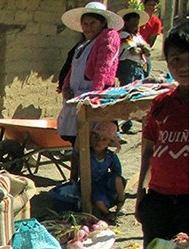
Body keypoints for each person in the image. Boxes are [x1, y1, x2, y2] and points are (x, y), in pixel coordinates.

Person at [135, 23, 189, 249]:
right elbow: (149, 150)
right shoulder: (160, 105)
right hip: (159, 202)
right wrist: (141, 192)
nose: (184, 66)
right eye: (177, 60)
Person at [56, 2, 123, 178]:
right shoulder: (82, 45)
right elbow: (72, 68)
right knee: (77, 145)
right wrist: (65, 87)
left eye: (92, 23)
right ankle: (75, 182)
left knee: (92, 145)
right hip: (77, 99)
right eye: (85, 24)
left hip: (93, 100)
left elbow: (103, 67)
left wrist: (94, 96)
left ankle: (89, 185)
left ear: (102, 23)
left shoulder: (108, 38)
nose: (87, 27)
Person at [115, 6, 152, 133]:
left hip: (138, 67)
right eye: (133, 21)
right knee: (128, 95)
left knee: (138, 95)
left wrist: (141, 48)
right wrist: (142, 48)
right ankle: (125, 125)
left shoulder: (137, 37)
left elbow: (148, 51)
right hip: (127, 67)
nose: (135, 23)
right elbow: (133, 50)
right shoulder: (123, 35)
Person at [86, 121, 126, 222]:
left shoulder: (110, 156)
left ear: (109, 142)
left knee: (117, 179)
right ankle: (107, 213)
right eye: (96, 138)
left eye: (104, 139)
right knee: (98, 199)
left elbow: (117, 173)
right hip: (94, 185)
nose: (99, 142)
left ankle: (121, 200)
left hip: (107, 183)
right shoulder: (87, 155)